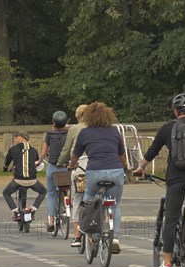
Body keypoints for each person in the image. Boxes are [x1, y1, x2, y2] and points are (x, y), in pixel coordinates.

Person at [133, 93, 185, 267]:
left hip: (177, 178)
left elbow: (153, 150)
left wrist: (140, 168)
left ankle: (167, 263)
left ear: (175, 111)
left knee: (171, 219)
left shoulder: (167, 128)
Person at [68, 102, 125, 254]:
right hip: (115, 171)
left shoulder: (84, 133)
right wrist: (125, 167)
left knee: (88, 198)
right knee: (115, 205)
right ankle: (115, 237)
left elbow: (76, 154)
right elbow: (122, 154)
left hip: (95, 172)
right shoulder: (114, 131)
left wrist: (71, 166)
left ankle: (90, 232)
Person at [58, 104, 88, 247]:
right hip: (100, 165)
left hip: (80, 165)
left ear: (77, 117)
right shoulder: (98, 128)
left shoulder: (75, 129)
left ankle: (77, 235)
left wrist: (60, 162)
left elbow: (67, 150)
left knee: (77, 198)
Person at [36, 111, 69, 232]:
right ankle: (68, 205)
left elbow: (44, 152)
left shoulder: (49, 134)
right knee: (69, 188)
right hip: (66, 167)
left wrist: (39, 161)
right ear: (66, 123)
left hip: (53, 166)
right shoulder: (69, 134)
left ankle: (51, 220)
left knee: (51, 194)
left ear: (53, 122)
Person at [3, 131, 47, 220]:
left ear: (22, 138)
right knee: (43, 191)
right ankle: (33, 209)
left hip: (18, 180)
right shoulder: (34, 150)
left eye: (16, 137)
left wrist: (5, 168)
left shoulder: (13, 149)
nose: (15, 139)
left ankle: (16, 212)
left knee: (6, 193)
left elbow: (7, 162)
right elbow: (36, 163)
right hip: (32, 180)